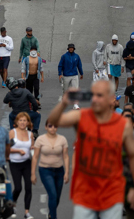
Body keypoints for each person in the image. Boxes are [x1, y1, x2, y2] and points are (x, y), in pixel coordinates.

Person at [47, 80, 134, 219]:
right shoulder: (81, 116)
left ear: (111, 98)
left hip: (112, 193)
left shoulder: (124, 125)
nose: (95, 99)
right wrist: (64, 103)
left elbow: (131, 156)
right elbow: (53, 120)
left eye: (99, 95)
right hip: (85, 193)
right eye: (93, 95)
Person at [30, 122, 69, 219]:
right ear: (46, 127)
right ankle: (54, 217)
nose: (52, 128)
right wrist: (33, 173)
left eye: (55, 126)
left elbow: (66, 156)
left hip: (59, 170)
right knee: (52, 194)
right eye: (50, 126)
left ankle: (51, 213)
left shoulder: (62, 139)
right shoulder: (40, 139)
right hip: (45, 170)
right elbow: (35, 156)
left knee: (57, 197)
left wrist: (67, 172)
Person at [9, 112, 34, 219]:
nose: (23, 123)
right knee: (18, 188)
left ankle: (27, 212)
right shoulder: (12, 133)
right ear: (17, 122)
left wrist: (34, 150)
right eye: (20, 120)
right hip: (15, 163)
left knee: (28, 188)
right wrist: (18, 150)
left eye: (25, 120)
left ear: (28, 122)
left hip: (27, 163)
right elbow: (7, 149)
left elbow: (32, 148)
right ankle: (12, 206)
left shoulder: (30, 134)